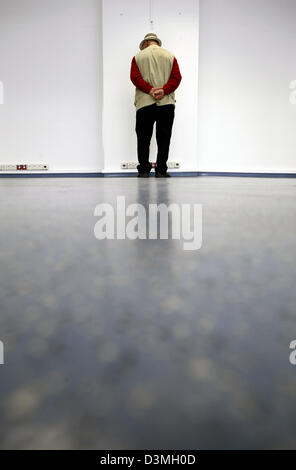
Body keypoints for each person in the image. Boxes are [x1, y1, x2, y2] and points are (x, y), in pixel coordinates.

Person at [130, 33, 182, 178]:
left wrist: (149, 90)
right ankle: (161, 170)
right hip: (166, 103)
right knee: (164, 138)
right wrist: (163, 90)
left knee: (143, 138)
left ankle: (144, 170)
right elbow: (176, 78)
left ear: (146, 43)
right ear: (156, 43)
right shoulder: (170, 56)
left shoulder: (138, 57)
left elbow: (135, 77)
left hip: (144, 103)